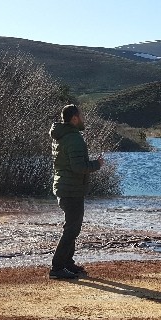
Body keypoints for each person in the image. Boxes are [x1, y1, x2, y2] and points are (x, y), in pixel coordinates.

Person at [48, 104, 104, 280]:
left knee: (72, 227)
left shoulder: (62, 136)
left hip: (65, 187)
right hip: (71, 190)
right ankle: (57, 267)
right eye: (81, 115)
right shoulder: (73, 138)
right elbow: (78, 167)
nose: (83, 118)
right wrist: (97, 164)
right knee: (72, 229)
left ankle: (67, 263)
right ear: (74, 118)